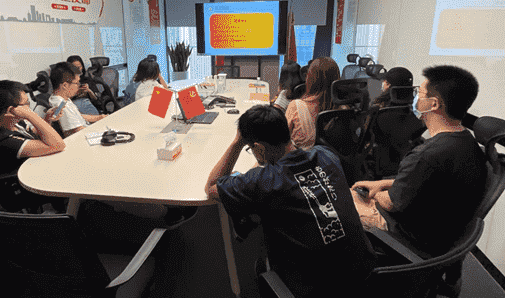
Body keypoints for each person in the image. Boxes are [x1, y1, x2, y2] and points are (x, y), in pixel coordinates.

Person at [205, 104, 376, 297]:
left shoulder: (264, 181)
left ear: (259, 148)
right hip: (364, 276)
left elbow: (211, 187)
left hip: (317, 289)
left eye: (250, 148)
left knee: (257, 221)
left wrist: (237, 142)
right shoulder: (326, 154)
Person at [352, 65, 487, 256]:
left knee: (345, 199)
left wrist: (372, 193)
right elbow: (428, 182)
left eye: (420, 93)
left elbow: (391, 203)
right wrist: (383, 183)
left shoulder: (425, 156)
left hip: (411, 238)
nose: (415, 98)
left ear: (433, 104)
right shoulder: (467, 143)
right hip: (442, 233)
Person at [0, 80, 66, 175]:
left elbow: (33, 134)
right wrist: (31, 115)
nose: (28, 107)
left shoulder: (8, 121)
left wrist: (47, 119)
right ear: (10, 110)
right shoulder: (2, 141)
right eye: (26, 104)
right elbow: (57, 145)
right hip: (33, 174)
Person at [285, 57, 341, 150]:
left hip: (303, 158)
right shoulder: (344, 109)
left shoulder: (296, 106)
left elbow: (282, 140)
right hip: (333, 158)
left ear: (310, 78)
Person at [47, 62, 107, 137]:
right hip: (84, 137)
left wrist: (100, 117)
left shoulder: (61, 98)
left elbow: (77, 116)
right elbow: (75, 131)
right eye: (77, 83)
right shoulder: (61, 105)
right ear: (65, 85)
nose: (78, 86)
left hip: (85, 130)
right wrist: (101, 130)